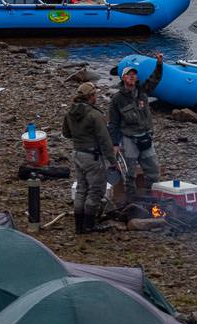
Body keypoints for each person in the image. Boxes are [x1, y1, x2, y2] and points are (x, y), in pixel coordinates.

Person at [62, 82, 117, 235]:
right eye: (95, 95)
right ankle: (89, 225)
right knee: (96, 190)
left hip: (77, 154)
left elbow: (66, 133)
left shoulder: (70, 113)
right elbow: (105, 140)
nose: (96, 97)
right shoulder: (95, 115)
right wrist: (113, 161)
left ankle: (78, 226)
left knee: (81, 188)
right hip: (92, 156)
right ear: (91, 97)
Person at [108, 53, 163, 196]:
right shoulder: (117, 99)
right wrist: (115, 144)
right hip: (128, 140)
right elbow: (113, 123)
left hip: (145, 137)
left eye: (134, 74)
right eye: (128, 75)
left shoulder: (143, 92)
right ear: (123, 78)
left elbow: (155, 79)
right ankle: (131, 201)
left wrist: (159, 64)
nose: (132, 77)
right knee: (129, 174)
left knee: (153, 172)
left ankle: (151, 199)